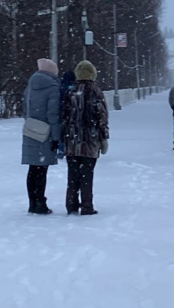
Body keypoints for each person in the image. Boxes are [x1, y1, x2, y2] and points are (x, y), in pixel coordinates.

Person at [61, 60, 109, 215]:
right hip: (90, 140)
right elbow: (102, 116)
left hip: (72, 140)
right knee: (87, 175)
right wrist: (104, 138)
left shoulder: (71, 91)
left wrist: (64, 135)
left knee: (72, 175)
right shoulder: (96, 91)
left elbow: (64, 116)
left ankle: (71, 205)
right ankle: (87, 206)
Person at [21, 58, 61, 215]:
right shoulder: (52, 87)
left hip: (31, 130)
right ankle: (40, 203)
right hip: (46, 132)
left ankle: (32, 202)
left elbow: (25, 107)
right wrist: (56, 136)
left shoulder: (30, 85)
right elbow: (53, 113)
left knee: (33, 168)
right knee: (42, 169)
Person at [57, 70, 76, 159]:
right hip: (73, 114)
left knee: (62, 133)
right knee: (71, 132)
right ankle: (71, 149)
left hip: (61, 113)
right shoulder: (75, 88)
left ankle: (61, 150)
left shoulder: (61, 87)